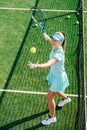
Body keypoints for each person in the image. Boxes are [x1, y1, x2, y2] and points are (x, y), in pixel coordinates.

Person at [28, 32, 71, 125]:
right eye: (53, 39)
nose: (53, 41)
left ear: (61, 42)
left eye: (56, 40)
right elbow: (50, 40)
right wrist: (47, 37)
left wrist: (37, 65)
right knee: (53, 89)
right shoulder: (55, 46)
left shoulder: (59, 54)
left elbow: (48, 63)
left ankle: (52, 117)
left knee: (49, 97)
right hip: (54, 74)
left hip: (59, 77)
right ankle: (66, 98)